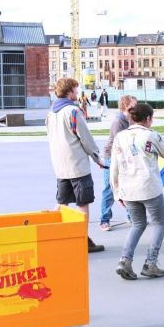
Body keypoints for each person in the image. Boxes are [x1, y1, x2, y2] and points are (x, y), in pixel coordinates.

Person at [111, 103, 164, 280]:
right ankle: (151, 262)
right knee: (159, 223)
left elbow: (114, 166)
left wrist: (116, 191)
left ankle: (124, 260)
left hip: (128, 188)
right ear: (148, 119)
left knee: (137, 224)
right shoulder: (151, 136)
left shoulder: (120, 137)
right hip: (149, 187)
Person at [46, 77, 105, 253]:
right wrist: (97, 157)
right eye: (75, 89)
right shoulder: (72, 111)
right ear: (69, 91)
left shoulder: (51, 113)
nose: (77, 92)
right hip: (77, 164)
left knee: (62, 202)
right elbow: (85, 137)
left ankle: (57, 236)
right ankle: (82, 239)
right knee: (83, 203)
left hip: (60, 165)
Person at [99, 95, 137, 231]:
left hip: (124, 156)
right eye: (134, 104)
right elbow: (121, 142)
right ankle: (104, 219)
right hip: (112, 156)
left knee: (128, 186)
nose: (136, 106)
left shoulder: (132, 119)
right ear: (126, 105)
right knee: (110, 188)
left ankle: (131, 216)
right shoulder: (118, 121)